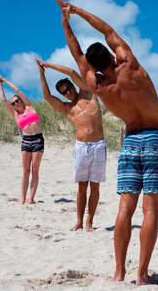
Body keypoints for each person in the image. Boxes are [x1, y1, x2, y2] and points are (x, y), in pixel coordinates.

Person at [54, 0, 158, 286]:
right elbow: (107, 29)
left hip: (131, 141)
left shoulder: (98, 86)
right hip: (156, 137)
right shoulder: (129, 66)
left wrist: (64, 23)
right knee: (151, 209)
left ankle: (118, 272)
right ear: (111, 55)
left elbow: (76, 53)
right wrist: (77, 11)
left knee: (124, 208)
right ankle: (141, 274)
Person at [35, 58, 106, 232]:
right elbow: (47, 97)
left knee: (95, 186)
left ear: (73, 86)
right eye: (63, 92)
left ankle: (89, 221)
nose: (67, 92)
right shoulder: (68, 108)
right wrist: (42, 74)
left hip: (98, 145)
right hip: (81, 147)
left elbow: (72, 73)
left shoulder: (89, 92)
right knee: (82, 186)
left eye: (68, 88)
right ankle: (80, 221)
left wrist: (48, 65)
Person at [0, 75, 44, 204]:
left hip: (38, 140)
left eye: (17, 101)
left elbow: (18, 90)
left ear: (21, 101)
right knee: (26, 171)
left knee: (35, 170)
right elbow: (3, 99)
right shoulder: (15, 114)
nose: (16, 103)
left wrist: (5, 80)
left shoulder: (29, 107)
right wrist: (0, 84)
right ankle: (22, 198)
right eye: (13, 103)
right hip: (26, 141)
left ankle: (31, 198)